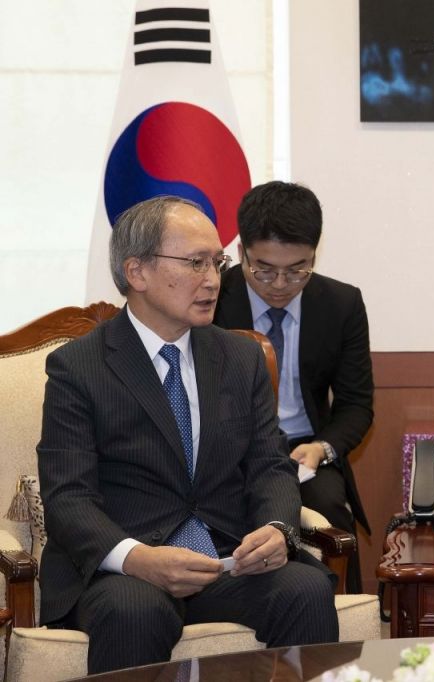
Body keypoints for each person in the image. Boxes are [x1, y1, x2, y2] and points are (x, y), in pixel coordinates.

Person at [37, 196, 339, 675]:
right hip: (129, 569)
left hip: (227, 559)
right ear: (137, 272)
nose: (213, 279)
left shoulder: (240, 358)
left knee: (305, 589)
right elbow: (68, 498)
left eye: (217, 262)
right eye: (196, 263)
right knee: (133, 611)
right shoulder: (78, 367)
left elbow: (270, 466)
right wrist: (138, 558)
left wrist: (277, 530)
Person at [213, 181, 374, 594]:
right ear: (242, 252)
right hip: (230, 449)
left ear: (314, 255)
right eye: (264, 269)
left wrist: (322, 448)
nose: (280, 283)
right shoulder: (212, 300)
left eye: (297, 269)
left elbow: (356, 405)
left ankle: (342, 616)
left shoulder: (341, 304)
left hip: (306, 450)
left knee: (332, 509)